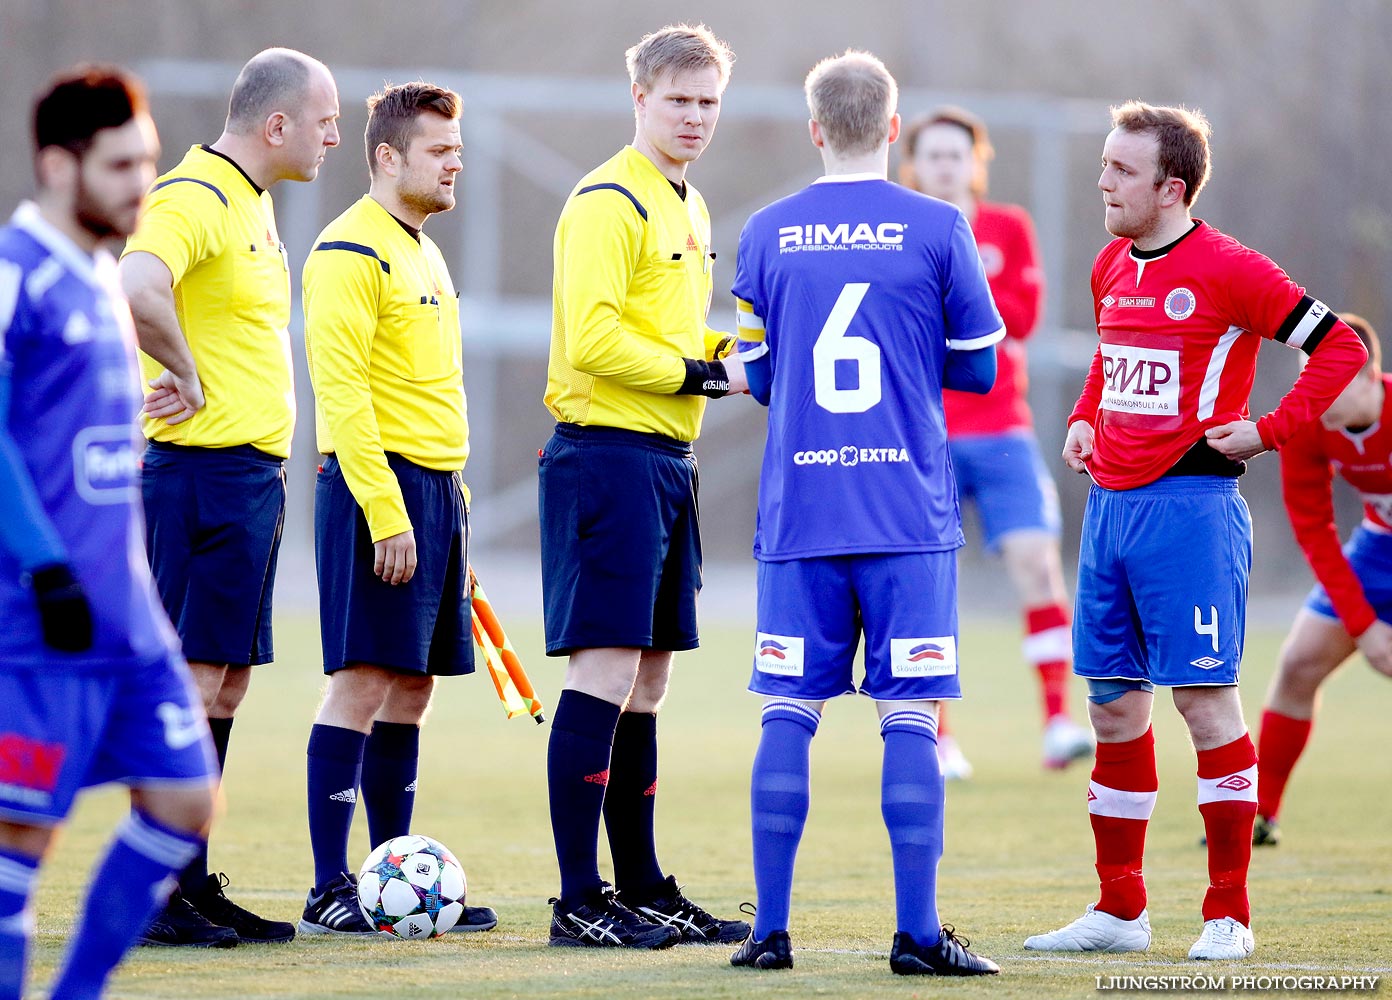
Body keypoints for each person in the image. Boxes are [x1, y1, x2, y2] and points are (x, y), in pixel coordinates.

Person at [1024, 101, 1367, 962]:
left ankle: (1228, 917)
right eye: (1104, 165)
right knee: (1110, 710)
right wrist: (1081, 416)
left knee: (1205, 705)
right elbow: (1111, 356)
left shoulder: (1230, 268)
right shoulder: (1111, 265)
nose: (1103, 181)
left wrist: (1271, 427)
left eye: (1121, 171)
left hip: (1191, 515)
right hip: (1110, 510)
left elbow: (1339, 350)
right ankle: (1119, 912)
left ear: (1171, 188)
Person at [727, 50, 1002, 977]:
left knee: (786, 713)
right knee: (910, 719)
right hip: (905, 517)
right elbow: (980, 367)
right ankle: (918, 937)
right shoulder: (939, 226)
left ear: (814, 130)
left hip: (801, 513)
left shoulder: (765, 232)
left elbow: (758, 376)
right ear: (894, 130)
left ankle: (767, 933)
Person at [0, 66, 221, 998]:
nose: (145, 184)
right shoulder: (18, 273)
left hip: (126, 616)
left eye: (152, 162)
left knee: (184, 800)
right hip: (38, 622)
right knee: (23, 845)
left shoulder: (99, 272)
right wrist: (48, 570)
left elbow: (68, 438)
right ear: (59, 164)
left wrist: (138, 409)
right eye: (124, 165)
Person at [119, 47, 340, 947]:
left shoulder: (249, 201)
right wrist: (182, 370)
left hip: (245, 480)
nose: (335, 136)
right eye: (324, 121)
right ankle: (156, 890)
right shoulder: (197, 194)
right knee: (189, 683)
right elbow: (136, 282)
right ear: (277, 124)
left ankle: (190, 878)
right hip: (200, 479)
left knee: (226, 683)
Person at [538, 23, 750, 950]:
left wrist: (727, 354)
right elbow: (590, 341)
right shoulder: (605, 199)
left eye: (708, 102)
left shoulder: (689, 206)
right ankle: (578, 900)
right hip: (607, 456)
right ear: (640, 99)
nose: (696, 117)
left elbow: (663, 336)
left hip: (667, 460)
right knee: (607, 669)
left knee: (650, 680)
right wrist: (704, 375)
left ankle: (642, 884)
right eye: (679, 101)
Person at [297, 80, 496, 938]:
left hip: (435, 496)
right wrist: (387, 512)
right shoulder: (349, 252)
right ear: (387, 156)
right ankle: (327, 886)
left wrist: (452, 515)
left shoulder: (424, 251)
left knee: (412, 691)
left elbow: (434, 396)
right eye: (439, 151)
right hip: (377, 491)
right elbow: (341, 397)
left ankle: (391, 881)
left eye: (458, 150)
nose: (456, 163)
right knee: (362, 683)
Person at [899, 106, 1093, 778]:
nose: (946, 165)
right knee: (930, 580)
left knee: (1039, 565)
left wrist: (949, 296)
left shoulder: (1010, 226)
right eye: (934, 155)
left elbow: (1023, 318)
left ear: (977, 163)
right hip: (926, 432)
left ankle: (1058, 723)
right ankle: (939, 736)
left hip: (1002, 425)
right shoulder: (899, 227)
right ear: (914, 165)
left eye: (958, 153)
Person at [1254, 314, 1392, 845]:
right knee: (1297, 663)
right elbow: (1314, 530)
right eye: (1309, 379)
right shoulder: (1308, 424)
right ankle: (1261, 816)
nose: (1314, 395)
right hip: (1378, 549)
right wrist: (1363, 626)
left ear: (1367, 376)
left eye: (1328, 380)